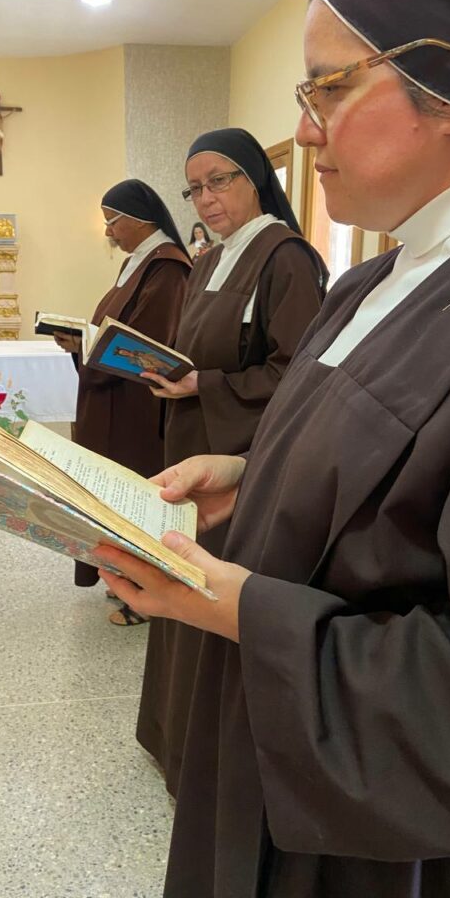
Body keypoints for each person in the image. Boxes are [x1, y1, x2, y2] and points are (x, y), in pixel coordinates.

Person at [95, 0, 450, 898]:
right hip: (270, 753)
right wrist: (250, 477)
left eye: (329, 86)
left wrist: (243, 606)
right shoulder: (373, 281)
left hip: (382, 835)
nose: (300, 130)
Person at [136, 127, 327, 794]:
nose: (206, 198)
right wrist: (168, 372)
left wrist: (204, 387)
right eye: (194, 187)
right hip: (192, 443)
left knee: (211, 594)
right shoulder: (214, 258)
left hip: (238, 463)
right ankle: (172, 735)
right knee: (177, 577)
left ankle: (212, 765)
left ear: (255, 177)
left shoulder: (285, 257)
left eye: (221, 180)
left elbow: (301, 373)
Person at [53, 179, 191, 625]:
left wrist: (87, 345)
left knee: (133, 495)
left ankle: (146, 592)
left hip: (135, 408)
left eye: (113, 222)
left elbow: (145, 343)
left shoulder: (167, 267)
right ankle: (124, 581)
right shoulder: (139, 262)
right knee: (111, 495)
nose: (109, 232)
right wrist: (81, 342)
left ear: (138, 220)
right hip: (114, 400)